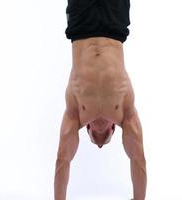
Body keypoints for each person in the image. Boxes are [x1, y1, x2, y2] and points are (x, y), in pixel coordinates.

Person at [54, 0, 147, 199]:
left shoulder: (76, 114)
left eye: (93, 138)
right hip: (114, 27)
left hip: (81, 26)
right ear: (113, 127)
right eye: (105, 138)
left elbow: (63, 160)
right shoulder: (124, 113)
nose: (99, 142)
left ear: (87, 128)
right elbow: (138, 158)